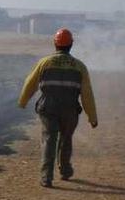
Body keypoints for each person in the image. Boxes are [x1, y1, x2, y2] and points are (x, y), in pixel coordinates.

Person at [18, 28, 97, 187]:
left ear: (55, 43)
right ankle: (65, 171)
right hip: (70, 110)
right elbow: (87, 94)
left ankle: (46, 177)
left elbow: (30, 83)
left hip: (48, 109)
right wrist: (92, 117)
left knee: (49, 140)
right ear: (71, 45)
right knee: (66, 139)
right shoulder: (79, 66)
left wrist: (23, 102)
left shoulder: (45, 63)